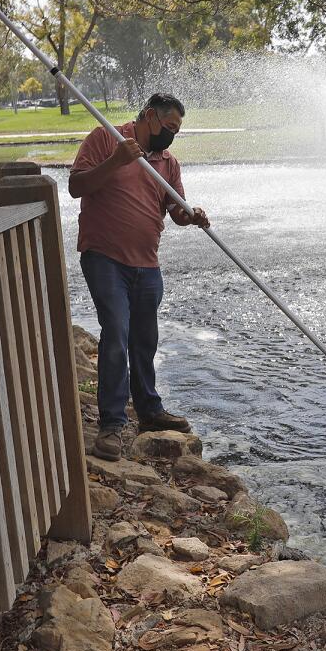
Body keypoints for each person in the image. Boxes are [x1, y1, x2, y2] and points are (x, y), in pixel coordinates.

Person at [68, 92, 210, 461]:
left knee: (144, 340)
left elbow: (175, 210)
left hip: (147, 264)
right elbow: (76, 187)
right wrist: (115, 161)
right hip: (105, 259)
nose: (171, 135)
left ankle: (148, 410)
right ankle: (112, 425)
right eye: (168, 127)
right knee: (116, 333)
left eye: (177, 130)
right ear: (149, 116)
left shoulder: (168, 162)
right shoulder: (106, 139)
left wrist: (191, 214)